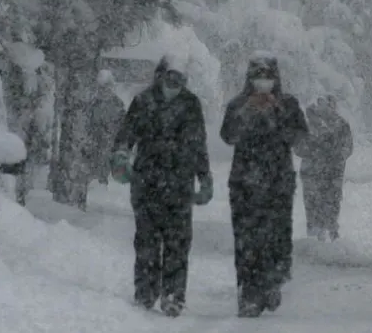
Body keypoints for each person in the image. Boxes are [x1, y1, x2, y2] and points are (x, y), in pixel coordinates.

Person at [111, 53, 213, 317]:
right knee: (146, 242)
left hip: (180, 186)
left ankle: (173, 296)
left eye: (180, 78)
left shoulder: (191, 105)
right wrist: (121, 157)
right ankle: (145, 292)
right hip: (147, 184)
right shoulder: (143, 101)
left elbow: (198, 144)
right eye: (171, 76)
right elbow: (126, 135)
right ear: (161, 75)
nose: (175, 82)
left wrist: (204, 177)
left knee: (178, 244)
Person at [219, 51, 308, 318]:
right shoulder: (238, 104)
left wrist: (276, 114)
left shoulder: (289, 104)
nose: (263, 83)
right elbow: (228, 135)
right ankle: (249, 293)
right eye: (258, 77)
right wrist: (248, 112)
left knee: (276, 237)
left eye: (268, 77)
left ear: (276, 79)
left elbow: (301, 139)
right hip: (245, 183)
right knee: (246, 240)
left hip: (277, 183)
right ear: (249, 79)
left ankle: (272, 281)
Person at [294, 95, 353, 241]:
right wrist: (315, 151)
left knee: (332, 202)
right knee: (313, 204)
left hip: (333, 173)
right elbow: (298, 147)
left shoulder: (341, 124)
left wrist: (337, 155)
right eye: (324, 104)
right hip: (312, 173)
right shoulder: (307, 125)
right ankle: (314, 237)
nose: (328, 107)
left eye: (330, 104)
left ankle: (332, 233)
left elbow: (348, 146)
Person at [88, 69, 125, 185]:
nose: (104, 90)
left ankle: (102, 183)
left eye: (106, 86)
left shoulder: (117, 103)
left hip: (110, 142)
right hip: (94, 142)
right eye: (101, 87)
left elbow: (123, 124)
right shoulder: (92, 103)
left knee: (105, 163)